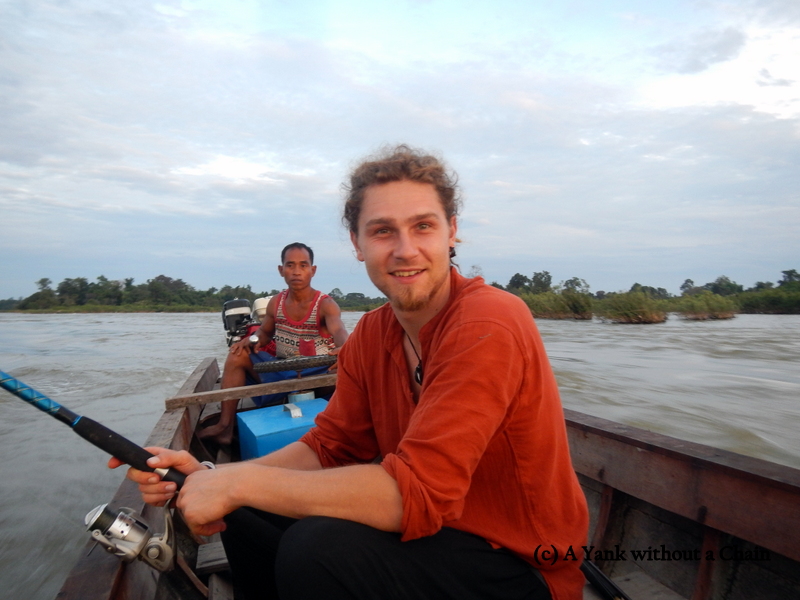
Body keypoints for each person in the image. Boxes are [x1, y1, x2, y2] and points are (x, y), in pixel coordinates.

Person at [112, 145, 589, 600]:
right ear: (358, 244)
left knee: (316, 550)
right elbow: (329, 447)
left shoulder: (488, 321)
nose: (405, 250)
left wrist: (234, 483)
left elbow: (417, 492)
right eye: (382, 231)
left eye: (423, 226)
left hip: (523, 565)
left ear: (452, 232)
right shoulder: (372, 336)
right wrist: (212, 476)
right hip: (433, 539)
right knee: (245, 508)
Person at [199, 242, 349, 445]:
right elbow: (264, 333)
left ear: (313, 270)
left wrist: (344, 348)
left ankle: (340, 428)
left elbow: (339, 329)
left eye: (303, 266)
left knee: (346, 368)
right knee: (237, 353)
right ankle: (225, 426)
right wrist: (251, 340)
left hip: (317, 372)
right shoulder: (276, 302)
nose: (296, 272)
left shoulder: (325, 304)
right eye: (290, 265)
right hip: (281, 369)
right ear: (281, 270)